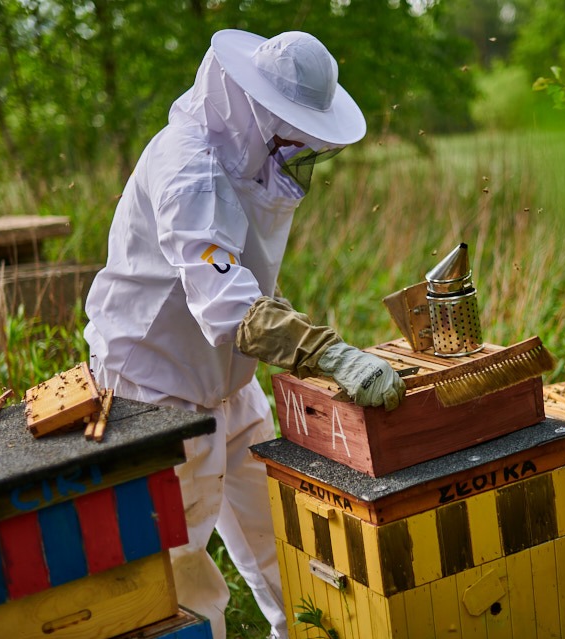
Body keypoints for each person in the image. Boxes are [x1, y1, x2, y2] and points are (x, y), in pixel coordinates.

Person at [83, 29, 406, 639]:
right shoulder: (189, 170)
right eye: (292, 140)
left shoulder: (240, 157)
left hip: (228, 383)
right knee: (180, 572)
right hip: (154, 391)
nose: (296, 155)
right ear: (259, 117)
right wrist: (328, 353)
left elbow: (244, 280)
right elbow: (228, 303)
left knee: (282, 540)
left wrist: (304, 342)